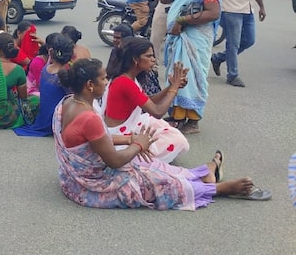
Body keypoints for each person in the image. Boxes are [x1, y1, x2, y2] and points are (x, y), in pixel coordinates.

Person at [54, 58, 271, 210]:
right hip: (92, 183)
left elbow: (94, 140)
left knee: (153, 165)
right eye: (102, 79)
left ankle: (203, 173)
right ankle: (219, 189)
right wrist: (138, 144)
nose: (107, 82)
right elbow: (114, 160)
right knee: (162, 186)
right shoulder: (91, 114)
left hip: (73, 177)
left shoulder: (67, 104)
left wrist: (131, 140)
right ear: (90, 85)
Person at [160, 0, 223, 134]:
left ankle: (193, 120)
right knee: (177, 74)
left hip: (194, 38)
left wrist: (181, 20)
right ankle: (177, 115)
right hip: (179, 37)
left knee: (192, 76)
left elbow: (213, 13)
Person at [103, 37, 190, 163]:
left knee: (165, 129)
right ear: (135, 59)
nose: (153, 60)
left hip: (129, 126)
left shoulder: (130, 78)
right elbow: (158, 112)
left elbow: (148, 101)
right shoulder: (125, 82)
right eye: (149, 56)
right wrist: (175, 88)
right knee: (177, 140)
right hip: (119, 135)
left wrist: (171, 87)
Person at [14, 34, 74, 137]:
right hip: (54, 118)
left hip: (43, 116)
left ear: (51, 52)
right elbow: (72, 97)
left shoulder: (46, 69)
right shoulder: (64, 75)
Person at [107, 24, 161, 96]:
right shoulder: (124, 81)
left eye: (118, 38)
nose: (114, 40)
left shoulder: (146, 75)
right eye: (114, 37)